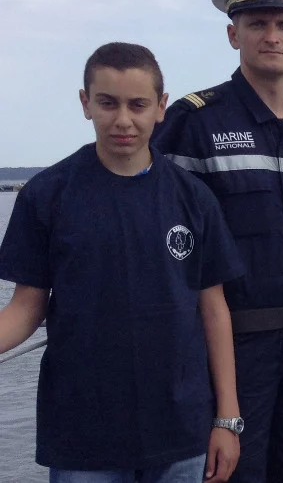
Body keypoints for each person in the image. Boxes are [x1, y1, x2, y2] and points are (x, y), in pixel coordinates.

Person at [0, 42, 243, 483]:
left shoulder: (193, 198)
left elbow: (214, 310)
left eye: (138, 104)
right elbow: (25, 309)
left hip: (181, 428)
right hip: (83, 433)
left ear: (161, 107)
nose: (123, 120)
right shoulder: (46, 195)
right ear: (85, 103)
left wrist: (227, 419)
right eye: (108, 103)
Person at [151, 0, 283, 481]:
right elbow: (164, 241)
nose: (271, 36)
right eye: (257, 24)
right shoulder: (196, 123)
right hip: (235, 347)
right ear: (234, 35)